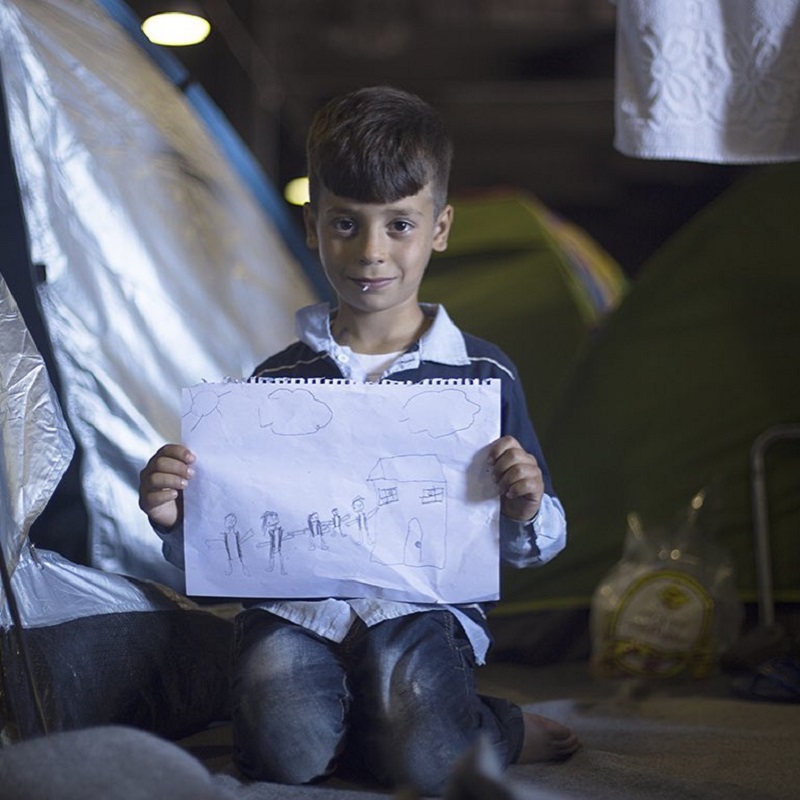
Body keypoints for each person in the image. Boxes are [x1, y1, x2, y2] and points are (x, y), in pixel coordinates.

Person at [138, 85, 579, 795]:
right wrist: (172, 515)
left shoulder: (482, 374)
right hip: (296, 612)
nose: (372, 252)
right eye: (346, 224)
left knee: (432, 762)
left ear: (439, 228)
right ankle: (416, 731)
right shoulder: (274, 381)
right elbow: (237, 542)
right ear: (312, 226)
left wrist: (526, 506)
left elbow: (535, 542)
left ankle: (493, 727)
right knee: (285, 754)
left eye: (399, 225)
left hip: (420, 607)